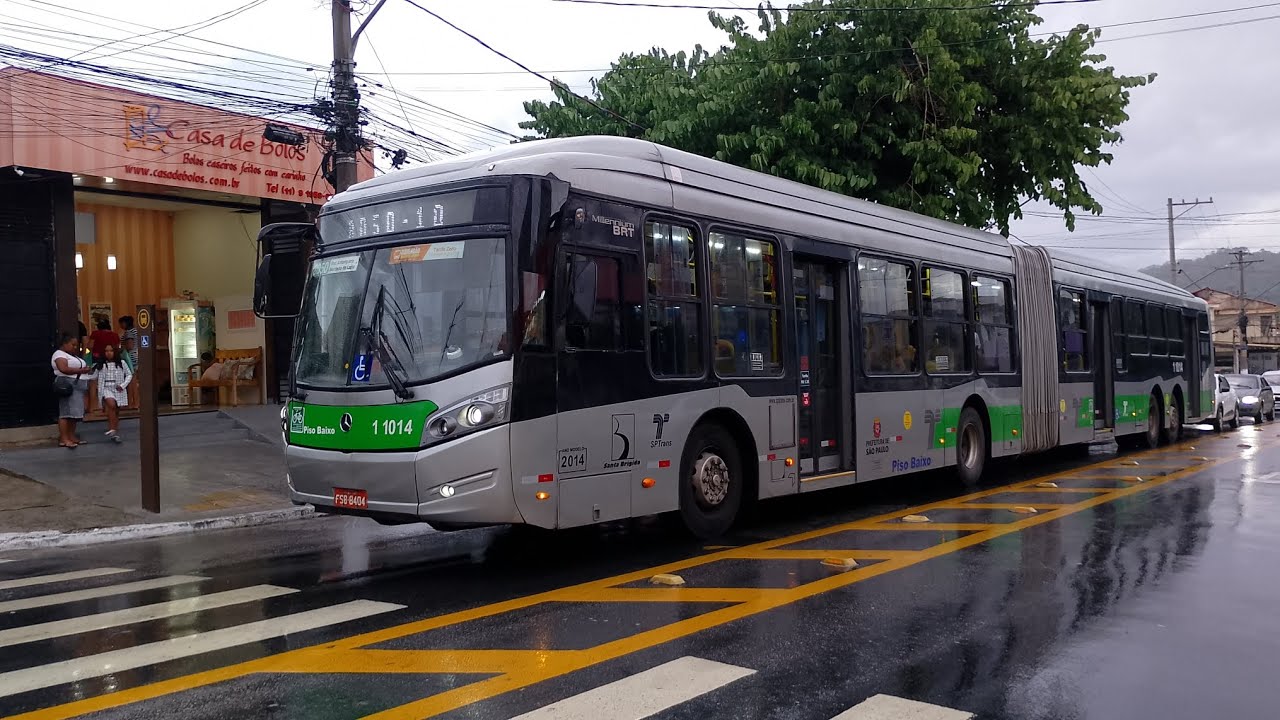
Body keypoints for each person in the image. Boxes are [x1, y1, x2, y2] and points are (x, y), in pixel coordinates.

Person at [52, 333, 94, 449]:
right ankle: (64, 438)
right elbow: (63, 368)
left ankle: (71, 435)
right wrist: (81, 371)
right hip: (69, 385)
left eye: (76, 345)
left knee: (74, 414)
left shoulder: (72, 356)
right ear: (65, 344)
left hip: (78, 387)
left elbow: (86, 356)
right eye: (72, 345)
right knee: (66, 413)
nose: (75, 347)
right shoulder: (59, 354)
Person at [95, 344, 131, 443]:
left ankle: (114, 430)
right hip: (106, 387)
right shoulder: (101, 364)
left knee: (116, 409)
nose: (108, 353)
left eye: (111, 351)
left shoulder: (122, 363)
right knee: (111, 405)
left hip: (118, 388)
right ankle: (112, 428)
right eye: (106, 351)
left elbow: (129, 375)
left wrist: (123, 385)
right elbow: (94, 376)